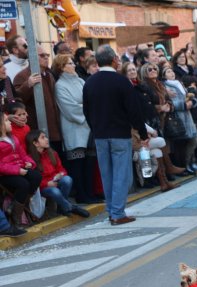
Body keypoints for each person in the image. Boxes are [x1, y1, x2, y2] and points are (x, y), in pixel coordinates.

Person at [82, 45, 148, 226]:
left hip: (100, 134)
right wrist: (142, 133)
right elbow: (134, 111)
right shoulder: (122, 82)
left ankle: (112, 210)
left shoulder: (89, 82)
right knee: (121, 174)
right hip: (119, 133)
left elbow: (86, 111)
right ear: (113, 60)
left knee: (107, 174)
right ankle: (118, 213)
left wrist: (95, 128)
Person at [54, 54, 99, 204]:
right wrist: (88, 109)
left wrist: (87, 108)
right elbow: (70, 109)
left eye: (72, 63)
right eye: (69, 63)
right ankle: (81, 194)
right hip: (74, 129)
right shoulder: (60, 86)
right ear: (61, 67)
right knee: (77, 165)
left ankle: (90, 192)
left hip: (88, 127)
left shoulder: (80, 80)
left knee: (89, 164)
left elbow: (92, 100)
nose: (73, 65)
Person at [136, 62, 185, 179]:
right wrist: (159, 108)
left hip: (164, 119)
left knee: (166, 146)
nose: (153, 70)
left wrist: (168, 105)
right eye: (150, 69)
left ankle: (166, 176)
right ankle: (163, 174)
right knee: (158, 146)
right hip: (151, 121)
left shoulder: (160, 84)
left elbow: (169, 100)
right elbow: (146, 105)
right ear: (144, 73)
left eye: (155, 68)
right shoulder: (145, 86)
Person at [13, 45, 63, 159]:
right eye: (42, 55)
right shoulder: (22, 76)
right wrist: (28, 85)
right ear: (32, 58)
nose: (46, 58)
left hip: (55, 131)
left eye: (47, 55)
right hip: (37, 133)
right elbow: (17, 101)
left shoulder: (49, 75)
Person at [25, 130, 89, 218]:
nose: (47, 139)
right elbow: (34, 180)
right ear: (35, 143)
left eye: (46, 137)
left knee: (68, 179)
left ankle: (62, 207)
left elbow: (62, 169)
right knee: (55, 191)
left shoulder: (52, 153)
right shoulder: (30, 159)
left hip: (55, 180)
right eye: (43, 138)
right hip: (44, 186)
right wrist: (47, 183)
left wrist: (60, 175)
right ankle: (70, 207)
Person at [0, 113, 41, 226]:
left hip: (19, 168)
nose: (10, 122)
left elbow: (22, 154)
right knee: (23, 184)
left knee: (36, 176)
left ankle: (18, 204)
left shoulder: (12, 137)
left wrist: (29, 162)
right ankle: (16, 216)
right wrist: (17, 170)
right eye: (7, 121)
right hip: (5, 174)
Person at [161, 65, 197, 174]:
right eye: (168, 72)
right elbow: (170, 103)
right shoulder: (165, 86)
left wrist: (192, 103)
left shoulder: (179, 83)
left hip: (188, 116)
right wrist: (183, 105)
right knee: (181, 144)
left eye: (172, 71)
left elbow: (190, 97)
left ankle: (189, 163)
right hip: (177, 117)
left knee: (193, 140)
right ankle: (184, 166)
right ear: (164, 76)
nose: (172, 73)